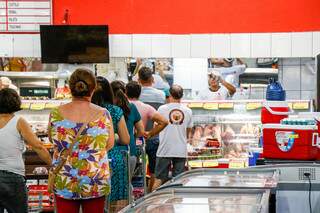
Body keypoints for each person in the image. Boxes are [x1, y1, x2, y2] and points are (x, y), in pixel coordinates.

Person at [48, 68, 114, 213]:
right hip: (95, 179)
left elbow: (52, 140)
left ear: (70, 87)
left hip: (65, 178)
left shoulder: (56, 114)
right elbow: (109, 144)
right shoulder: (103, 114)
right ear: (93, 88)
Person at [0, 88, 52, 213]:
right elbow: (38, 146)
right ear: (15, 102)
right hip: (12, 176)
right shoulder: (18, 121)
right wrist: (52, 164)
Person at [91, 76, 130, 212]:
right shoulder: (115, 110)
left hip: (90, 159)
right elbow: (126, 139)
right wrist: (114, 137)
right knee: (115, 205)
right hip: (113, 158)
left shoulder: (86, 111)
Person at [152, 85, 193, 190]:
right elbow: (188, 132)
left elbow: (155, 127)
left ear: (169, 95)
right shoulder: (188, 111)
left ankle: (153, 205)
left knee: (159, 180)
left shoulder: (162, 109)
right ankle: (175, 205)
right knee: (178, 183)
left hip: (164, 149)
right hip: (180, 150)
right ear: (182, 96)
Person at [111, 81, 144, 203]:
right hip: (129, 152)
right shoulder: (132, 107)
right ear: (125, 92)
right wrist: (132, 136)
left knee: (112, 189)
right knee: (127, 185)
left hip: (111, 153)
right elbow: (141, 131)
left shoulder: (107, 109)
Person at [137, 66, 166, 192]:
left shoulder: (136, 95)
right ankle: (150, 195)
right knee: (154, 169)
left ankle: (139, 194)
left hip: (138, 137)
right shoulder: (161, 95)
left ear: (139, 79)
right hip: (155, 135)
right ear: (152, 79)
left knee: (138, 168)